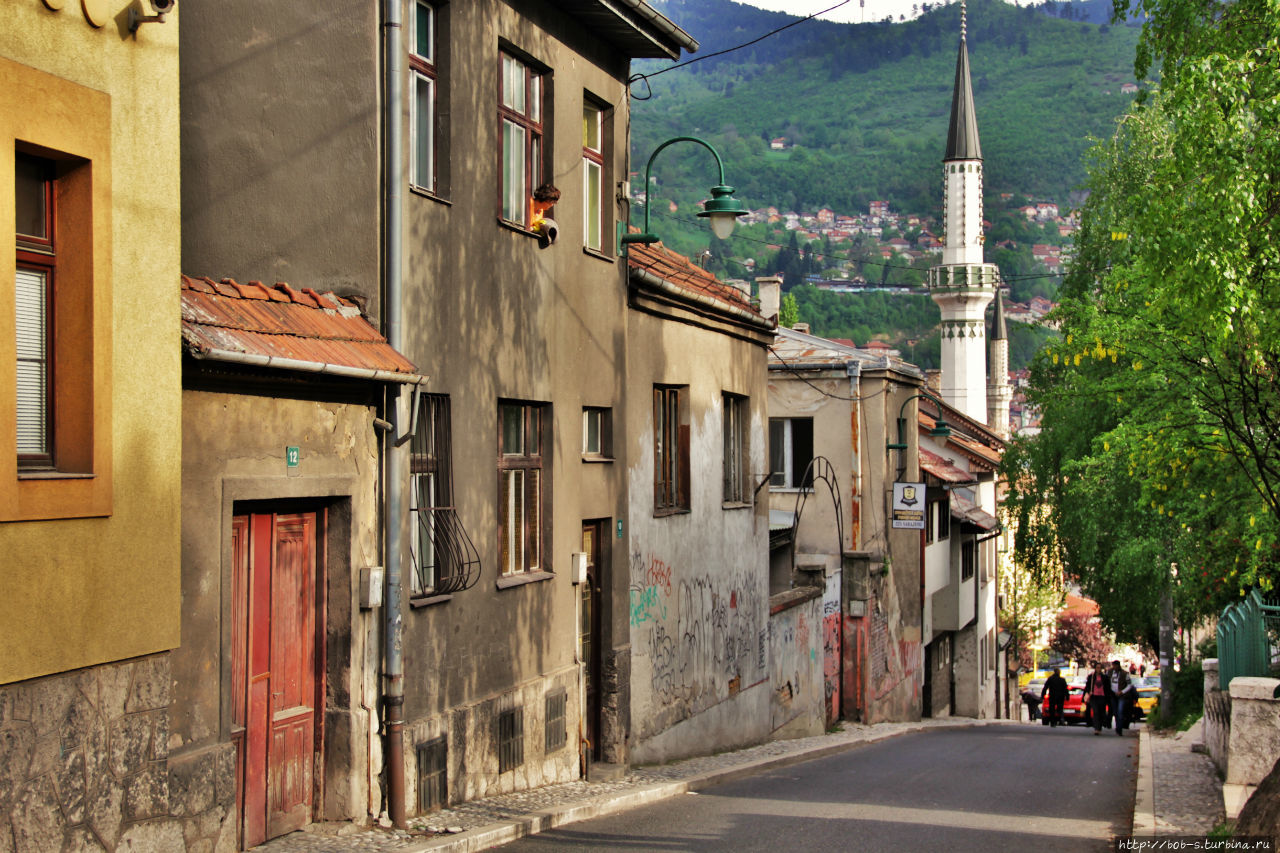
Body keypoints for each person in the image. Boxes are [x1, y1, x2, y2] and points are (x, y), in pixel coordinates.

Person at [1083, 661, 1111, 735]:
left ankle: (1100, 726)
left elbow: (1108, 688)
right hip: (1094, 696)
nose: (1098, 669)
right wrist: (1087, 694)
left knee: (1102, 712)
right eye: (1097, 668)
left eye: (1100, 668)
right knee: (1096, 712)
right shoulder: (1091, 677)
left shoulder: (1105, 677)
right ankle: (1096, 728)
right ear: (1095, 668)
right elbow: (1087, 686)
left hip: (1102, 697)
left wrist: (1108, 697)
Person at [1108, 659, 1133, 735]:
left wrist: (1122, 691)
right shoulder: (1109, 672)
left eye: (1115, 666)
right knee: (1115, 712)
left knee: (1120, 711)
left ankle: (1119, 728)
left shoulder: (1124, 674)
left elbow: (1129, 685)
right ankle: (1117, 726)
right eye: (1113, 666)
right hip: (1113, 695)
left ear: (1118, 666)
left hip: (1122, 695)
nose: (1114, 667)